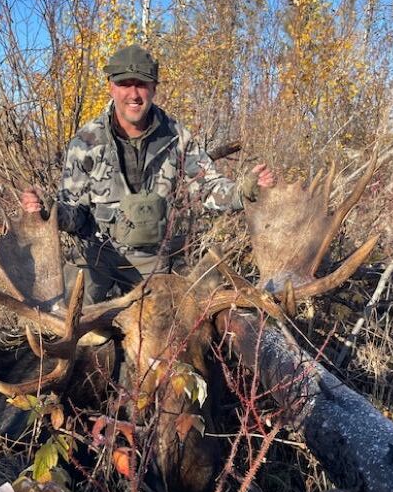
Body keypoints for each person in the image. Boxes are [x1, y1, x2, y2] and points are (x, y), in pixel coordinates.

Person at [22, 44, 274, 304]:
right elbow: (74, 213)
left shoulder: (177, 137)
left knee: (193, 319)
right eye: (124, 84)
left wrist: (244, 190)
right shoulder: (86, 141)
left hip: (158, 261)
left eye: (141, 84)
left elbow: (209, 187)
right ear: (111, 86)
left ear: (154, 87)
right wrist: (49, 210)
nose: (134, 94)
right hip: (97, 258)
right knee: (68, 323)